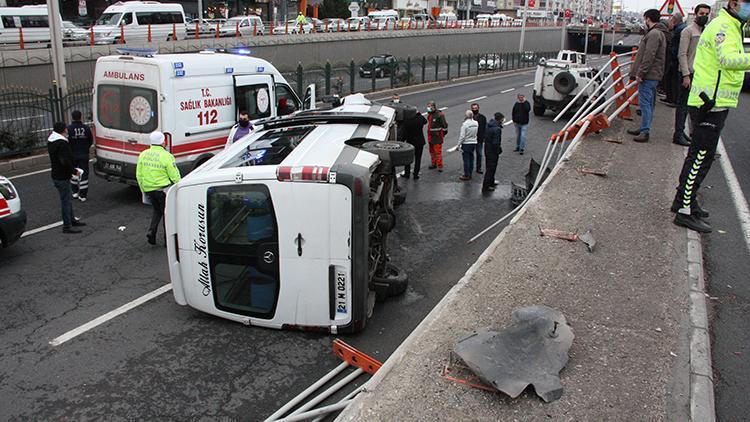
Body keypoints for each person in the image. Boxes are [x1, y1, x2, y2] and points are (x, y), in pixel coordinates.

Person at [671, 0, 750, 233]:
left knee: (701, 156)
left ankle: (685, 200)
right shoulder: (724, 27)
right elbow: (727, 60)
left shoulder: (730, 26)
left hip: (712, 101)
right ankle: (684, 211)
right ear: (734, 3)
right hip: (709, 103)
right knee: (700, 158)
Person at [627, 9, 669, 142]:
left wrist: (640, 73)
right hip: (654, 74)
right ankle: (643, 127)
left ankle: (645, 131)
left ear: (648, 19)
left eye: (645, 19)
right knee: (649, 103)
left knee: (645, 103)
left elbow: (649, 55)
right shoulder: (659, 33)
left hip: (649, 75)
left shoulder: (654, 34)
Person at [673, 4, 711, 146]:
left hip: (700, 74)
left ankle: (683, 132)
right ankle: (678, 134)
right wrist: (685, 74)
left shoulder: (706, 32)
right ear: (695, 14)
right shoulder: (688, 31)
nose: (704, 16)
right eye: (701, 13)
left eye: (706, 14)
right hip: (688, 73)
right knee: (682, 105)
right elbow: (682, 54)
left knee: (692, 106)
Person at [136, 131, 182, 245]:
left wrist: (143, 189)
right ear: (163, 142)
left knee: (157, 211)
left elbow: (139, 174)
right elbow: (174, 176)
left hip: (148, 189)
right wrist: (180, 186)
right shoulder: (167, 156)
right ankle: (168, 240)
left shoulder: (143, 154)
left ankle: (152, 231)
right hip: (163, 190)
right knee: (167, 213)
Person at [47, 122, 86, 234]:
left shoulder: (52, 141)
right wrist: (74, 171)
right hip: (62, 176)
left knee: (67, 199)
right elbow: (64, 161)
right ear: (63, 130)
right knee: (66, 201)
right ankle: (67, 226)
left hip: (56, 174)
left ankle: (72, 220)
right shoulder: (62, 143)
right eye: (66, 129)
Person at [67, 110, 93, 202]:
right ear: (81, 117)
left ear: (72, 117)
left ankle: (74, 192)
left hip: (73, 154)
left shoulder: (69, 129)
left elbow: (67, 142)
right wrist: (85, 148)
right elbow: (90, 141)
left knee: (73, 172)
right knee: (84, 174)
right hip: (84, 154)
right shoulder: (86, 128)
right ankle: (83, 195)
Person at [660, 13, 685, 107]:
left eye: (671, 20)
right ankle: (670, 98)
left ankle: (673, 100)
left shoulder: (678, 30)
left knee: (673, 79)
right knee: (670, 79)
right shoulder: (680, 28)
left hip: (674, 59)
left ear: (674, 20)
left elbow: (675, 45)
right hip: (674, 58)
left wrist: (672, 54)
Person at [401, 106, 427, 180]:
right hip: (420, 142)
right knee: (418, 159)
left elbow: (404, 134)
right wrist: (419, 114)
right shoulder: (420, 119)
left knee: (408, 159)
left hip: (410, 143)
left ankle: (407, 173)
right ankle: (416, 174)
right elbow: (425, 121)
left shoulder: (407, 121)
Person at [482, 112, 504, 193]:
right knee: (491, 169)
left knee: (489, 167)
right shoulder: (497, 129)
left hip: (487, 149)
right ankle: (486, 186)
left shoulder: (489, 125)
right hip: (493, 152)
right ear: (500, 119)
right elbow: (496, 143)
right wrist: (498, 150)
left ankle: (491, 182)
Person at [457, 110, 479, 181]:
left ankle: (466, 174)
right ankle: (470, 173)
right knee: (471, 158)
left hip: (466, 143)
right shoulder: (476, 123)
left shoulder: (465, 124)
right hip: (474, 142)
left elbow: (462, 136)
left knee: (466, 159)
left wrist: (458, 144)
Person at [426, 101, 447, 172]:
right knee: (431, 151)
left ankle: (440, 165)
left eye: (430, 106)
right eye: (428, 106)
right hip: (431, 136)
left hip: (437, 137)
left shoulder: (439, 115)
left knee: (438, 152)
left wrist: (441, 134)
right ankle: (433, 163)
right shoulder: (430, 114)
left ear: (434, 107)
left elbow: (445, 126)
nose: (428, 108)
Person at [470, 103, 487, 174]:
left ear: (478, 108)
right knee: (470, 154)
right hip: (470, 139)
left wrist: (484, 138)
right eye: (473, 108)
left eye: (475, 108)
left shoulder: (482, 117)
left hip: (479, 139)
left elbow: (485, 128)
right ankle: (470, 168)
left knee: (479, 154)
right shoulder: (469, 118)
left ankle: (478, 168)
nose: (474, 110)